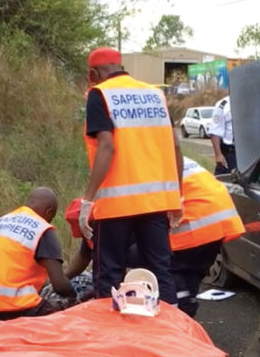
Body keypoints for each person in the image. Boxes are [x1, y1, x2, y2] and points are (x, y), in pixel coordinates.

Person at [80, 46, 183, 306]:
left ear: (94, 72)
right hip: (155, 203)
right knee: (160, 272)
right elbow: (176, 147)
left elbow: (106, 146)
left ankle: (111, 340)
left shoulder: (99, 94)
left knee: (109, 275)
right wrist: (177, 197)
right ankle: (175, 335)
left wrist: (87, 200)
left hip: (116, 205)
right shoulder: (155, 95)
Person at [0, 187, 76, 322]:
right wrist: (73, 296)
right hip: (10, 305)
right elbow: (60, 285)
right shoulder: (41, 229)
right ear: (49, 212)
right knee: (61, 312)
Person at [170, 157, 244, 317]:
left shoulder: (146, 166)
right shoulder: (178, 158)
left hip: (195, 221)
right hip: (218, 221)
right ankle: (186, 307)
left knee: (168, 267)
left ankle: (182, 307)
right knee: (191, 273)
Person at [62, 197, 143, 280]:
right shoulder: (92, 232)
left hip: (138, 270)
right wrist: (61, 279)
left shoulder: (108, 228)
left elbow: (111, 267)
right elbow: (83, 257)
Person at [208, 96, 236, 176]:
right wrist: (218, 155)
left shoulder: (251, 102)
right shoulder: (224, 105)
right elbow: (214, 132)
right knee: (226, 182)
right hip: (230, 153)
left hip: (249, 152)